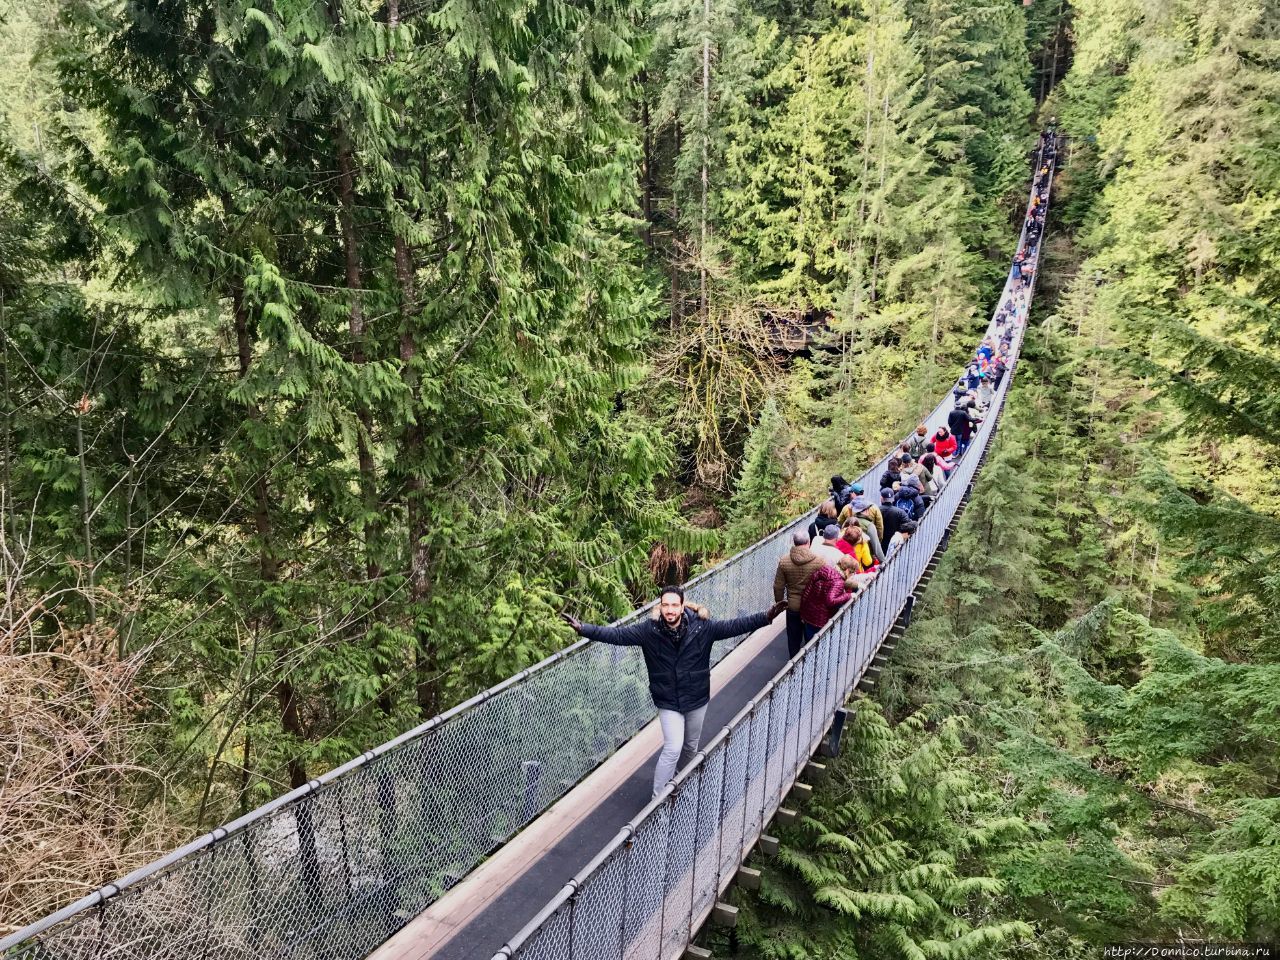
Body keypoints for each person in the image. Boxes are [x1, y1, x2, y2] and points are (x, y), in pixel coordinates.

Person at [562, 585, 786, 797]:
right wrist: (584, 629)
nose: (669, 610)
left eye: (673, 605)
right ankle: (658, 800)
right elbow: (618, 636)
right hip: (668, 698)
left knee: (690, 747)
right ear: (660, 607)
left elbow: (733, 626)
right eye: (665, 605)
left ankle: (677, 783)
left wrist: (765, 617)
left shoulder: (702, 627)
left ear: (682, 606)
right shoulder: (648, 631)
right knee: (673, 747)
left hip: (696, 696)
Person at [773, 530, 827, 657]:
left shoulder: (784, 561)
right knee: (812, 638)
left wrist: (780, 603)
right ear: (808, 542)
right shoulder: (819, 561)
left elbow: (778, 586)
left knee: (793, 639)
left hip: (793, 606)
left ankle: (793, 667)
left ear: (794, 542)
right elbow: (825, 583)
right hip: (812, 606)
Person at [798, 563, 851, 641]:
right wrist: (848, 596)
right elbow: (831, 600)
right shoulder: (838, 582)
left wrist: (802, 613)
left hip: (809, 616)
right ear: (847, 571)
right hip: (822, 621)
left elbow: (806, 592)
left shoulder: (820, 572)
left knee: (809, 643)